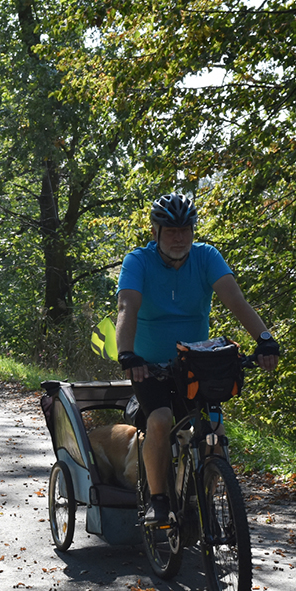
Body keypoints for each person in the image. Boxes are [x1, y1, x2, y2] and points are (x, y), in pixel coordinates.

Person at [115, 193, 280, 527]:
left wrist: (264, 340)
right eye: (170, 230)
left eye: (185, 229)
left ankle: (205, 499)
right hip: (148, 366)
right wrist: (128, 354)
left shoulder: (206, 258)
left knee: (213, 431)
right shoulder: (138, 262)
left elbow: (236, 301)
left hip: (194, 364)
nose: (179, 237)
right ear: (155, 232)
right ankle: (158, 501)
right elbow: (126, 307)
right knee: (160, 420)